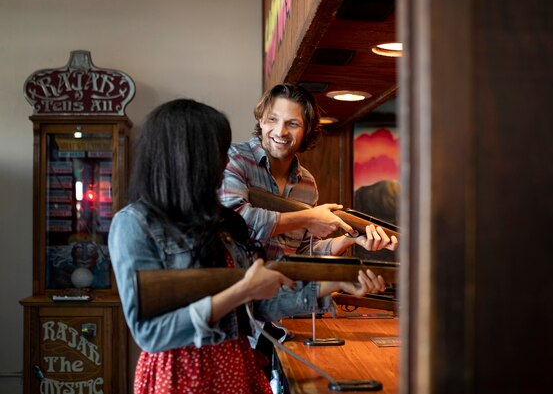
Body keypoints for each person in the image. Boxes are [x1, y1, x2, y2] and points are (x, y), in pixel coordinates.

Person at [108, 99, 385, 394]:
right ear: (186, 157)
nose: (225, 162)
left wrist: (333, 285)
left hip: (237, 366)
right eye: (217, 152)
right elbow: (150, 334)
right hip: (182, 378)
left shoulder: (222, 220)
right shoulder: (133, 224)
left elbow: (253, 308)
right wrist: (243, 289)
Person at [219, 83, 399, 260]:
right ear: (261, 120)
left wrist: (349, 239)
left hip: (286, 288)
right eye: (272, 119)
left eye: (293, 124)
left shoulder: (307, 183)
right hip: (238, 287)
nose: (281, 131)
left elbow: (306, 252)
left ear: (307, 131)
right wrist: (309, 217)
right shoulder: (234, 159)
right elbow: (235, 222)